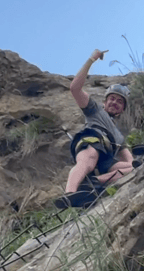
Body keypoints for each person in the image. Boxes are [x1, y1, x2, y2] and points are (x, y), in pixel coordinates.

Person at [55, 49, 134, 209]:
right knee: (89, 159)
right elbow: (75, 88)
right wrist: (91, 59)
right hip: (92, 140)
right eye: (112, 98)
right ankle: (70, 193)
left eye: (119, 101)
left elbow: (130, 160)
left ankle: (94, 184)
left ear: (122, 109)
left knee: (132, 168)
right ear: (104, 102)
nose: (114, 103)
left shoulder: (118, 136)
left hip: (106, 160)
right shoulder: (95, 110)